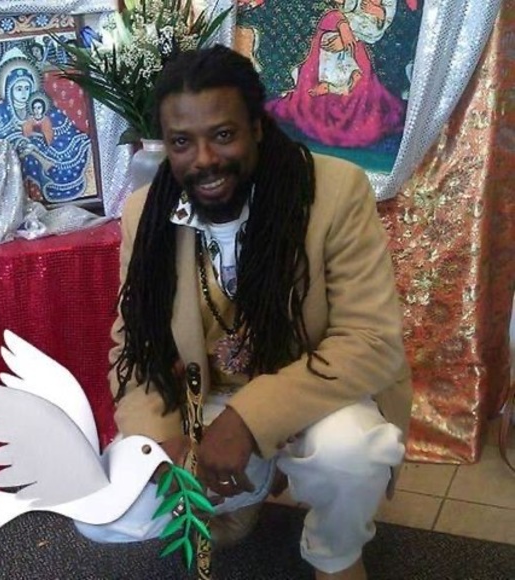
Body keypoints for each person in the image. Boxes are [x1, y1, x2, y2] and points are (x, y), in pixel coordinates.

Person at [75, 45, 412, 580]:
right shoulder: (146, 211)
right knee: (106, 513)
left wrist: (249, 423)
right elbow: (134, 345)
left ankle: (336, 552)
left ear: (257, 127)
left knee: (354, 454)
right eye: (182, 142)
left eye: (223, 134)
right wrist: (161, 442)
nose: (203, 159)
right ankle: (245, 491)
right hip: (203, 397)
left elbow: (370, 342)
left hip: (312, 392)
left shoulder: (334, 191)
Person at [266, 0, 404, 148]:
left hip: (363, 32)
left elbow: (383, 22)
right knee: (327, 49)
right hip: (334, 25)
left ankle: (339, 86)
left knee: (356, 72)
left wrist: (378, 15)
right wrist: (341, 24)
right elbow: (331, 8)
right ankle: (330, 86)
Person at [0, 54, 92, 203]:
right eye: (19, 89)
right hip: (15, 154)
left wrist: (39, 138)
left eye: (27, 88)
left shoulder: (39, 104)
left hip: (44, 148)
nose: (24, 93)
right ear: (9, 89)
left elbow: (64, 129)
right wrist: (17, 140)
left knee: (74, 147)